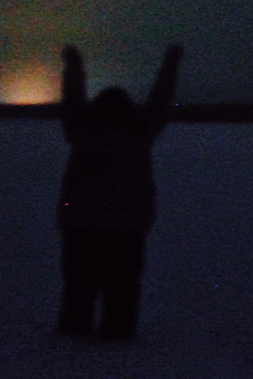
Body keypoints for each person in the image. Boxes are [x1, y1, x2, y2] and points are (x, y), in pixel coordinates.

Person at [56, 42, 182, 339]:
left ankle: (74, 332)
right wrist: (171, 64)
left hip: (80, 223)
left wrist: (74, 66)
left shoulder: (81, 132)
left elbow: (72, 99)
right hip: (127, 225)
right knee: (122, 285)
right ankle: (118, 333)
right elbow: (161, 102)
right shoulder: (139, 133)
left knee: (79, 284)